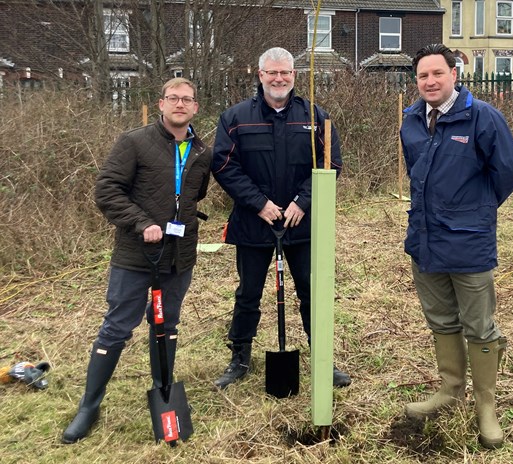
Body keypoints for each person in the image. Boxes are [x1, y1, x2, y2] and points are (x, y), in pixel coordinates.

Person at [62, 78, 211, 443]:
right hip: (136, 254)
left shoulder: (201, 150)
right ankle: (89, 406)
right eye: (173, 98)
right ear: (161, 104)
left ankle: (163, 392)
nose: (180, 104)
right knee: (117, 326)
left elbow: (196, 194)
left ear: (195, 107)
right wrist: (142, 222)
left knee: (167, 323)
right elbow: (107, 190)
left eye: (187, 100)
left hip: (179, 255)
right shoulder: (134, 142)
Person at [400, 44, 513, 449]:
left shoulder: (482, 117)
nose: (430, 82)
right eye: (423, 76)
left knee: (479, 324)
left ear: (455, 73)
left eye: (437, 73)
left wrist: (476, 209)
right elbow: (417, 174)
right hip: (425, 240)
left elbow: (510, 170)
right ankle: (450, 389)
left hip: (469, 243)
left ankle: (485, 405)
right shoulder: (411, 120)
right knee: (441, 319)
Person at [211, 47, 351, 390]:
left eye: (285, 73)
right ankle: (239, 357)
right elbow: (224, 166)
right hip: (254, 223)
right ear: (260, 76)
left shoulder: (315, 116)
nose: (279, 79)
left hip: (301, 224)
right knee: (248, 293)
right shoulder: (237, 118)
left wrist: (303, 202)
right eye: (272, 73)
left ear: (294, 76)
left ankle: (322, 357)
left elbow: (330, 163)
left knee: (310, 291)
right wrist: (259, 204)